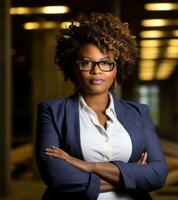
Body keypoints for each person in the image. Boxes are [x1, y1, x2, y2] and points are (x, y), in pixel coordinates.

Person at [35, 12, 168, 200]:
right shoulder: (52, 111)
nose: (96, 70)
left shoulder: (139, 113)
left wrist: (90, 166)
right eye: (86, 63)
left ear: (117, 68)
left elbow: (157, 174)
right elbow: (57, 176)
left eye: (106, 63)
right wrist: (131, 177)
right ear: (74, 67)